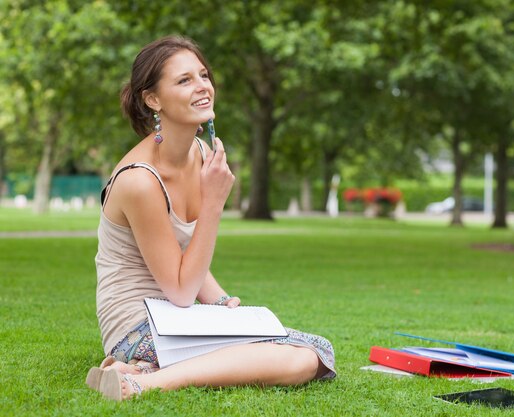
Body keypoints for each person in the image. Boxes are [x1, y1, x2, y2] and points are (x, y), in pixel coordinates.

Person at [86, 35, 335, 401]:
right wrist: (215, 203)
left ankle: (140, 372)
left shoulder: (201, 153)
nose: (203, 86)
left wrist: (220, 303)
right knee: (304, 358)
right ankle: (139, 383)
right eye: (184, 80)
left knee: (310, 350)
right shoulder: (139, 180)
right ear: (152, 99)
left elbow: (184, 257)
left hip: (179, 319)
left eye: (203, 75)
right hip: (138, 328)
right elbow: (182, 289)